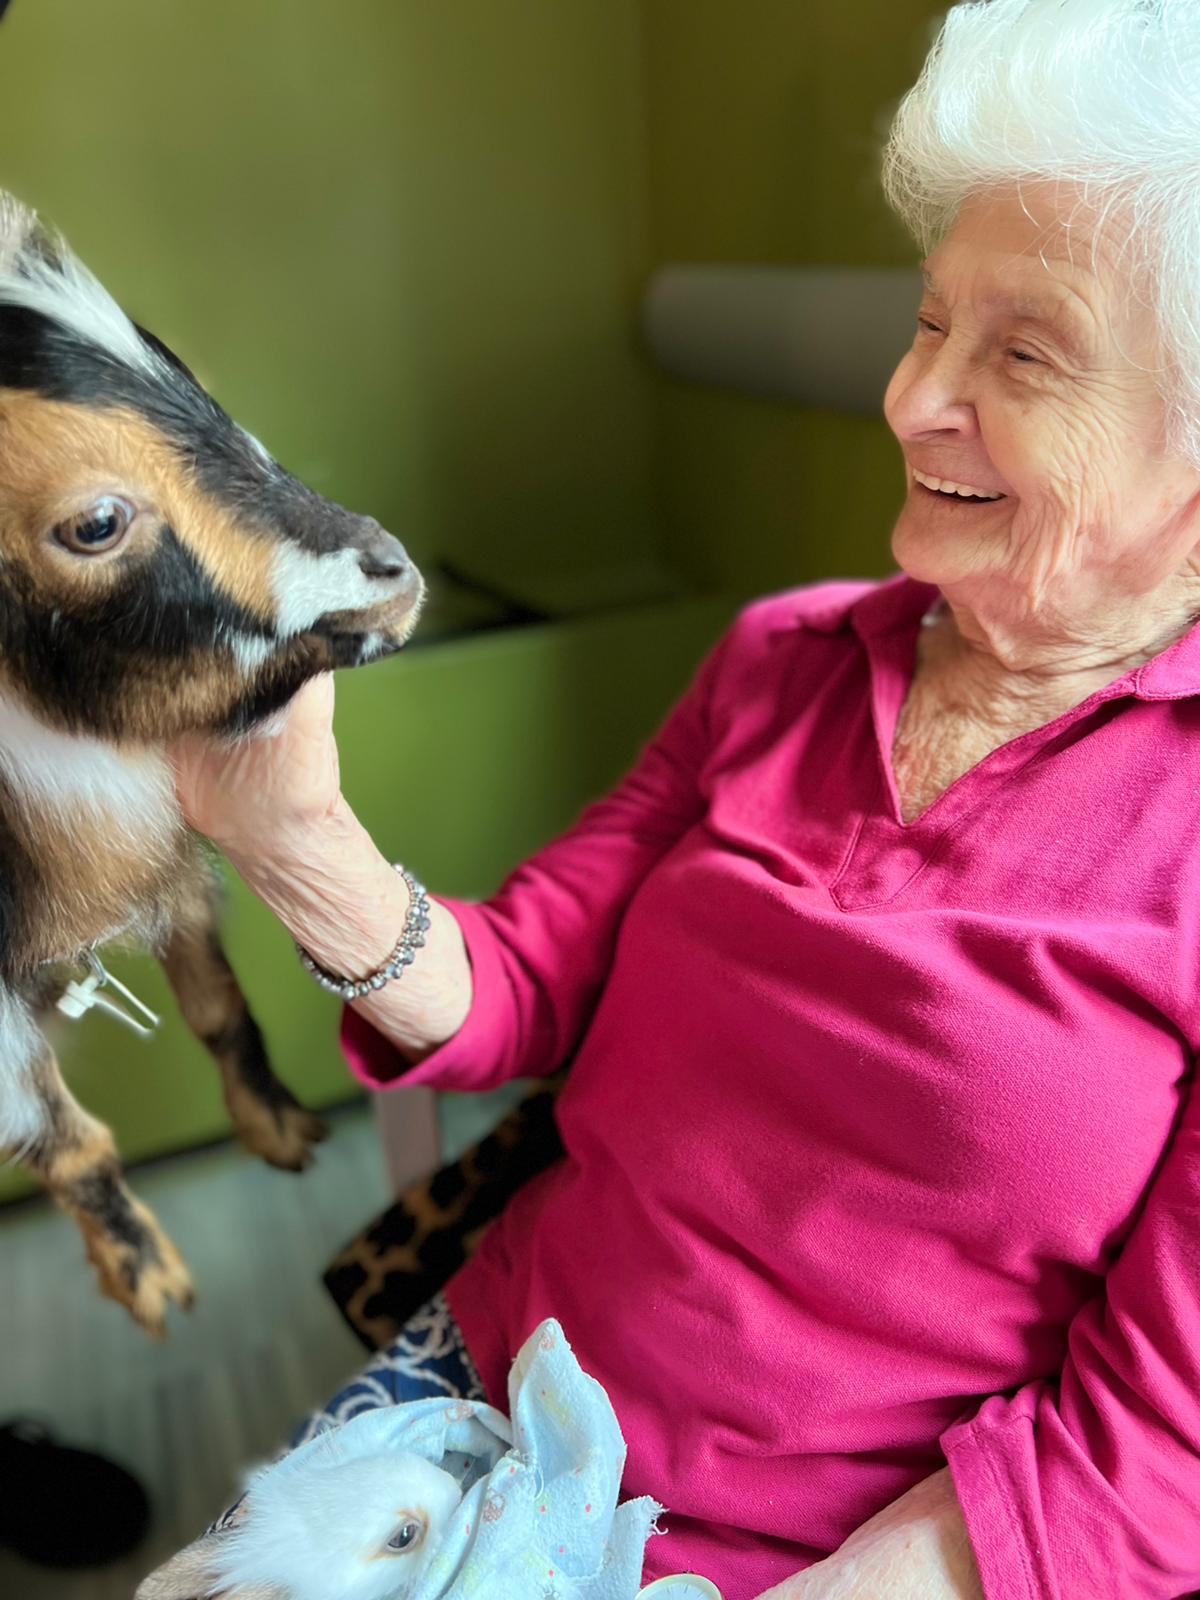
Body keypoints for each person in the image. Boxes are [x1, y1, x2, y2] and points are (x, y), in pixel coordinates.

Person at [168, 2, 1200, 1595]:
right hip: (501, 1374)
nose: (911, 399)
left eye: (1024, 354)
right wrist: (288, 832)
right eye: (928, 324)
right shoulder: (781, 657)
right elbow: (523, 982)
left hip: (823, 1561)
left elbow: (1141, 1468)